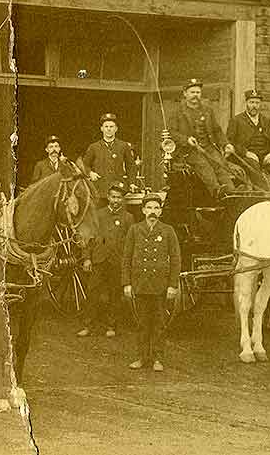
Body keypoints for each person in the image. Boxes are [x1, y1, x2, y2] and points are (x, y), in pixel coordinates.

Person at [121, 192, 180, 372]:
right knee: (141, 323)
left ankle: (157, 358)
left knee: (159, 323)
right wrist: (127, 283)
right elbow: (126, 257)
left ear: (160, 211)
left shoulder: (168, 231)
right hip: (140, 284)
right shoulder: (135, 230)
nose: (152, 211)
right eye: (149, 208)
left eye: (156, 208)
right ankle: (141, 357)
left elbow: (176, 258)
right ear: (143, 210)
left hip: (160, 285)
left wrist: (172, 285)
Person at [78, 182, 134, 339]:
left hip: (116, 261)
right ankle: (88, 325)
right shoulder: (98, 214)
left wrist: (126, 262)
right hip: (99, 259)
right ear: (108, 197)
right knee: (92, 292)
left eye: (119, 198)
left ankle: (111, 326)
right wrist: (87, 258)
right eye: (113, 197)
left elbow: (130, 242)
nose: (116, 200)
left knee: (115, 295)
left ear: (123, 200)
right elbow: (88, 238)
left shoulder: (128, 218)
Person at [167, 78, 236, 198]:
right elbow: (172, 132)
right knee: (204, 166)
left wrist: (226, 144)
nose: (195, 95)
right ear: (185, 93)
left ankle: (231, 192)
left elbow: (216, 130)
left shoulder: (207, 110)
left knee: (220, 164)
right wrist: (186, 139)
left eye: (198, 92)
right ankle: (217, 192)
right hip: (189, 151)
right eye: (192, 92)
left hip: (208, 147)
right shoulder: (177, 112)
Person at [227, 89, 270, 192]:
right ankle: (264, 194)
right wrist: (246, 153)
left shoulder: (266, 121)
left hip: (264, 156)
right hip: (244, 157)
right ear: (246, 103)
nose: (254, 106)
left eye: (257, 103)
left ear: (260, 104)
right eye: (251, 102)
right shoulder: (236, 120)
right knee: (252, 165)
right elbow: (229, 142)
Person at [82, 113, 137, 204]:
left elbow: (131, 166)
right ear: (101, 129)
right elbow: (84, 165)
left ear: (116, 129)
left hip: (118, 190)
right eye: (106, 126)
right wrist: (90, 173)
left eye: (111, 126)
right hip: (100, 190)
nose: (109, 129)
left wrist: (132, 183)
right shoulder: (94, 147)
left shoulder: (123, 146)